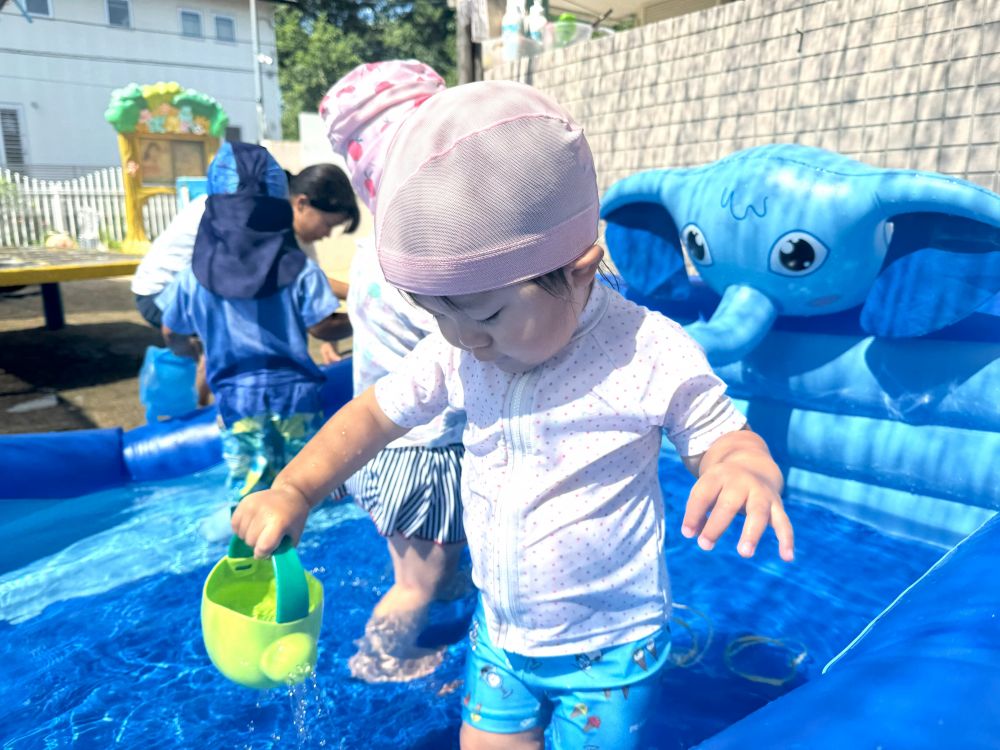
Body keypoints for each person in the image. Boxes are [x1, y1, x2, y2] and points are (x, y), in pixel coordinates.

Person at [233, 82, 794, 750]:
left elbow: (721, 437)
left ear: (581, 271)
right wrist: (295, 488)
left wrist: (742, 468)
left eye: (489, 316)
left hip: (609, 653)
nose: (466, 340)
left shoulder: (648, 351)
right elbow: (372, 417)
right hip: (501, 640)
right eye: (439, 316)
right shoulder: (459, 350)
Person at [320, 60, 468, 682]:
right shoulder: (426, 263)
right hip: (428, 455)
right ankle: (377, 661)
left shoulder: (372, 255)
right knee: (417, 583)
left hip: (384, 450)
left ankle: (437, 632)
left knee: (443, 572)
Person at [158, 142, 351, 517]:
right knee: (309, 494)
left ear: (214, 205)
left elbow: (171, 332)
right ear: (280, 205)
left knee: (248, 502)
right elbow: (322, 328)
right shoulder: (298, 268)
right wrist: (359, 317)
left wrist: (189, 349)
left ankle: (249, 565)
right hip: (297, 400)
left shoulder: (193, 277)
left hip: (237, 404)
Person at [131, 152, 359, 397]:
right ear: (301, 203)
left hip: (192, 289)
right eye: (328, 224)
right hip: (160, 292)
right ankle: (201, 404)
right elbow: (307, 299)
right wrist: (362, 304)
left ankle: (208, 399)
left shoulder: (279, 218)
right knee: (233, 344)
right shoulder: (247, 217)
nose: (326, 235)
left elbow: (313, 288)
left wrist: (341, 317)